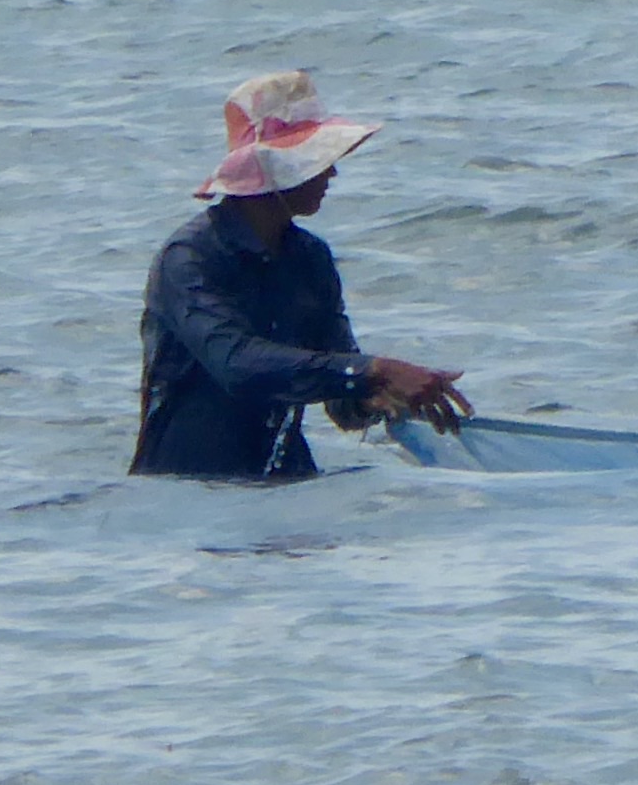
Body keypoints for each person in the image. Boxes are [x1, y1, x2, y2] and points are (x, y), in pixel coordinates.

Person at [132, 72, 474, 481]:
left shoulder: (311, 258)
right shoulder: (189, 259)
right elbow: (237, 365)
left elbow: (341, 402)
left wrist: (377, 395)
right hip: (186, 489)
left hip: (283, 477)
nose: (331, 176)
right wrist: (372, 371)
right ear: (275, 168)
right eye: (319, 162)